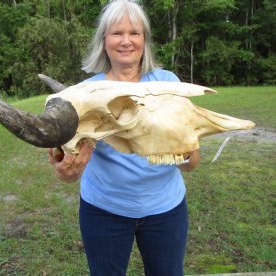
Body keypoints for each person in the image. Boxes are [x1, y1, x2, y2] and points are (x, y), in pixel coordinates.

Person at [48, 1, 200, 275]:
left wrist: (185, 151)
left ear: (145, 40)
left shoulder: (168, 85)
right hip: (104, 211)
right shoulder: (83, 94)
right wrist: (66, 171)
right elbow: (67, 172)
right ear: (104, 40)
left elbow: (191, 163)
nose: (126, 41)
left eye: (135, 33)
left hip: (166, 209)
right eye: (117, 33)